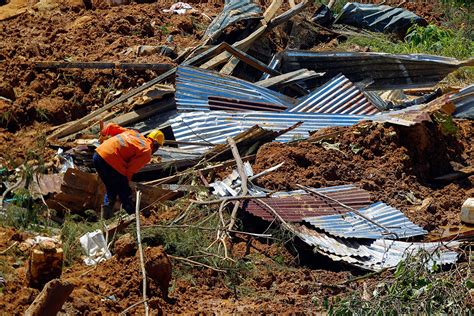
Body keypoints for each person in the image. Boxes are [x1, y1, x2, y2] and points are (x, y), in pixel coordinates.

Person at [92, 122, 164, 219]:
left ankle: (106, 216)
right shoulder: (146, 152)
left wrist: (103, 134)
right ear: (156, 145)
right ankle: (133, 217)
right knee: (124, 191)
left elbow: (110, 126)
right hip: (112, 162)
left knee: (111, 188)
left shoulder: (133, 133)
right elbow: (129, 170)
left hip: (98, 156)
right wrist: (126, 183)